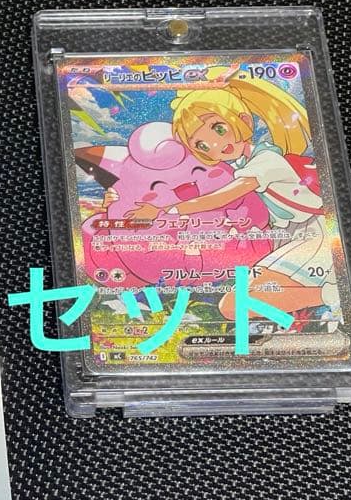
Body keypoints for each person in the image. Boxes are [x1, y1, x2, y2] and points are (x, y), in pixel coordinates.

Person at [124, 72, 338, 320]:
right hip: (286, 238)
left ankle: (333, 294)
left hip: (315, 236)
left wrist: (166, 211)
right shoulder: (239, 166)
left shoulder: (267, 160)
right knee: (236, 305)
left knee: (233, 306)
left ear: (244, 119)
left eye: (219, 128)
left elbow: (223, 197)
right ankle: (329, 295)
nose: (216, 145)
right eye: (203, 145)